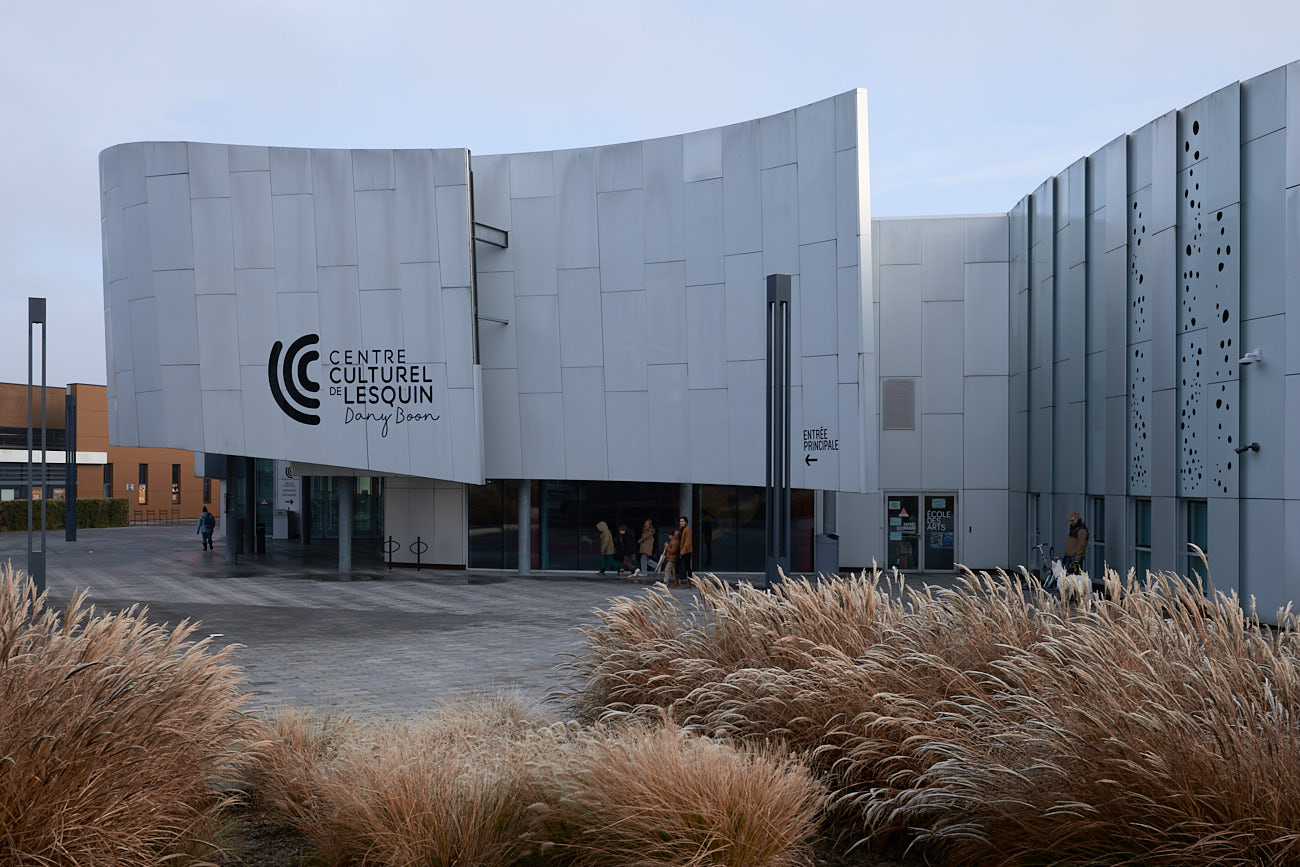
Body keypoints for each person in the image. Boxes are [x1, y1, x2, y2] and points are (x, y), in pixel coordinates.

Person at [677, 516, 694, 586]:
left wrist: (682, 552)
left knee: (687, 566)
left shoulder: (687, 530)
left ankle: (690, 581)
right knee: (681, 566)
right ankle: (681, 579)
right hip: (682, 551)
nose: (681, 523)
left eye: (682, 521)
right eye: (680, 521)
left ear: (686, 522)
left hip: (686, 552)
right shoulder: (681, 529)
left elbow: (687, 542)